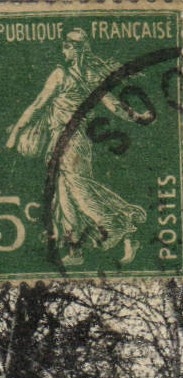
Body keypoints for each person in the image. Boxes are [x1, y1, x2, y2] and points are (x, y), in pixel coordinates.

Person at [5, 29, 150, 266]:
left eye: (67, 46)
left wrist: (15, 133)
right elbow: (114, 106)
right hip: (62, 140)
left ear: (77, 49)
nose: (63, 51)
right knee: (64, 196)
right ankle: (76, 250)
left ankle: (119, 224)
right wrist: (137, 117)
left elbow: (38, 105)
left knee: (78, 190)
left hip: (73, 141)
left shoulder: (64, 74)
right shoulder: (86, 75)